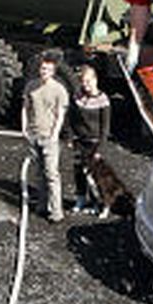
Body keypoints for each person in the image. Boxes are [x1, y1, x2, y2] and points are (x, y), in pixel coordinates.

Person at [21, 52, 69, 222]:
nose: (44, 71)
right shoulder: (31, 86)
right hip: (34, 134)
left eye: (47, 69)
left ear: (53, 71)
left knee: (52, 174)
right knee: (39, 173)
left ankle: (56, 212)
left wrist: (55, 134)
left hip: (49, 136)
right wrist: (24, 127)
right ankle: (42, 206)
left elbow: (60, 114)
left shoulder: (59, 90)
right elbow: (26, 107)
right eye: (42, 68)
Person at [68, 64, 111, 213]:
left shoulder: (103, 100)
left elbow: (105, 128)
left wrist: (100, 149)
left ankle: (101, 204)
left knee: (96, 177)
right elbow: (71, 119)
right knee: (79, 172)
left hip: (94, 143)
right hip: (80, 142)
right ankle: (81, 200)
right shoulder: (77, 97)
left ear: (95, 80)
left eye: (88, 81)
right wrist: (70, 137)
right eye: (83, 82)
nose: (86, 85)